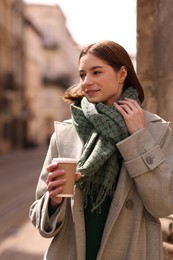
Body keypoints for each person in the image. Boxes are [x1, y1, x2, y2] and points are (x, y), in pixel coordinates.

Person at [29, 40, 173, 260]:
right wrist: (53, 200)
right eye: (82, 75)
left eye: (96, 72)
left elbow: (164, 205)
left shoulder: (156, 131)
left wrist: (138, 138)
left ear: (122, 73)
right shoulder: (66, 133)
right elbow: (40, 219)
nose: (87, 82)